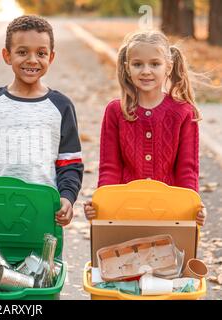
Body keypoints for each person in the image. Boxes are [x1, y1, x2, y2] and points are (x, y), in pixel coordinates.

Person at [0, 15, 83, 229]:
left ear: (51, 57)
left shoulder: (61, 106)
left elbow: (70, 165)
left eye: (41, 53)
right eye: (22, 52)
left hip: (45, 215)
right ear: (7, 55)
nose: (32, 59)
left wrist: (67, 197)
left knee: (44, 264)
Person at [83, 30, 206, 226]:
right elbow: (110, 168)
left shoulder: (183, 112)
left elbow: (187, 169)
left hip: (170, 214)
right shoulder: (116, 111)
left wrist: (191, 205)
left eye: (155, 64)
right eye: (138, 64)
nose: (146, 71)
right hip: (124, 213)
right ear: (127, 67)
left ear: (168, 67)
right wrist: (103, 203)